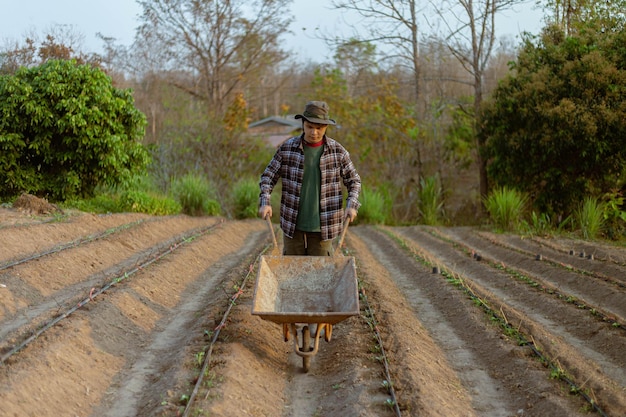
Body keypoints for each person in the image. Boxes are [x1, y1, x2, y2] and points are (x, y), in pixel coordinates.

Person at [258, 100, 361, 256]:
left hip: (324, 226)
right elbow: (268, 176)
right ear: (303, 124)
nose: (314, 133)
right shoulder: (287, 148)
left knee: (320, 274)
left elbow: (354, 181)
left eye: (319, 128)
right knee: (291, 272)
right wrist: (265, 202)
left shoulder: (338, 152)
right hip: (292, 223)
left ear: (326, 127)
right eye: (310, 127)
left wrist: (352, 205)